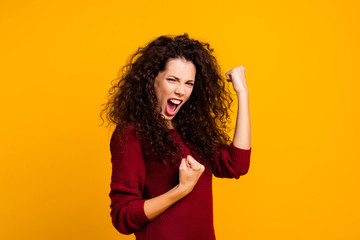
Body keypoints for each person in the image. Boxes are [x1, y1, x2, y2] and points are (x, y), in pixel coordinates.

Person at [100, 33, 252, 240]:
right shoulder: (131, 133)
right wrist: (182, 189)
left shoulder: (191, 131)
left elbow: (237, 164)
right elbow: (123, 216)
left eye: (189, 83)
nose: (181, 91)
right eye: (173, 80)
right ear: (152, 79)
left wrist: (242, 93)